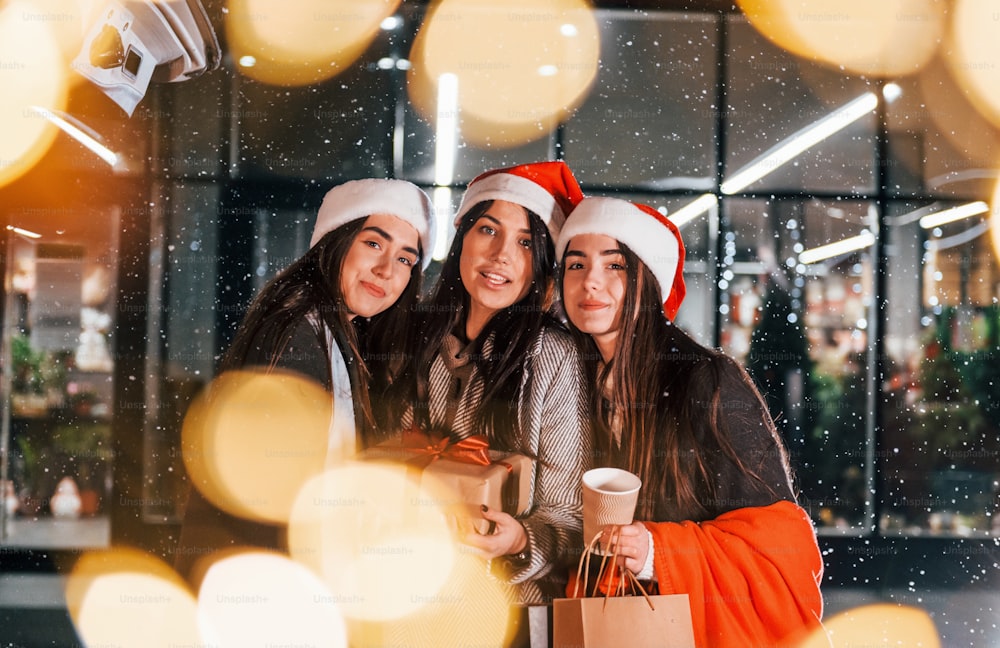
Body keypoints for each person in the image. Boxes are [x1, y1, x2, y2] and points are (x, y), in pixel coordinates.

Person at [557, 196, 824, 647]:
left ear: (647, 279)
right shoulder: (567, 381)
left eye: (615, 266)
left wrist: (658, 552)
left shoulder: (706, 381)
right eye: (576, 265)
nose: (591, 283)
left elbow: (784, 546)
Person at [174, 178, 436, 580]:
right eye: (373, 243)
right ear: (335, 240)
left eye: (405, 259)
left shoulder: (332, 331)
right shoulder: (295, 335)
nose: (386, 270)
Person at [410, 160, 591, 605]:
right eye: (488, 230)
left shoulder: (552, 355)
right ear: (462, 242)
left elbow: (570, 519)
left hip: (503, 610)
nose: (502, 255)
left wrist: (518, 541)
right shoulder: (416, 337)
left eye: (527, 242)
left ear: (542, 264)